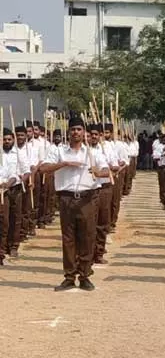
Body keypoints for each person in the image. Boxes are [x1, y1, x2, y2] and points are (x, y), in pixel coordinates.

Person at [40, 117, 110, 292]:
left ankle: (85, 275)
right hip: (66, 198)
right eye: (73, 129)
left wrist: (97, 172)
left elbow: (107, 171)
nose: (76, 132)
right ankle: (69, 276)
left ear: (84, 132)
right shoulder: (59, 151)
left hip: (87, 198)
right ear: (68, 132)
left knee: (87, 237)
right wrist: (64, 163)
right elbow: (43, 168)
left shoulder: (93, 152)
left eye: (79, 129)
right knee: (68, 239)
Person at [87, 124, 118, 265]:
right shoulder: (84, 150)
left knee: (102, 221)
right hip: (88, 188)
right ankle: (88, 252)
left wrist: (108, 167)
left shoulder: (107, 149)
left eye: (96, 134)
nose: (93, 136)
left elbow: (116, 166)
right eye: (91, 134)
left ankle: (99, 252)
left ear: (100, 136)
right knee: (89, 222)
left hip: (104, 187)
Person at [2, 127, 29, 259]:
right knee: (4, 219)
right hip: (2, 190)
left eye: (9, 139)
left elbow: (27, 171)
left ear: (13, 139)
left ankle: (14, 246)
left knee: (16, 218)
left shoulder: (19, 154)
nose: (7, 141)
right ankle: (3, 246)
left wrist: (21, 180)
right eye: (4, 139)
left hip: (16, 189)